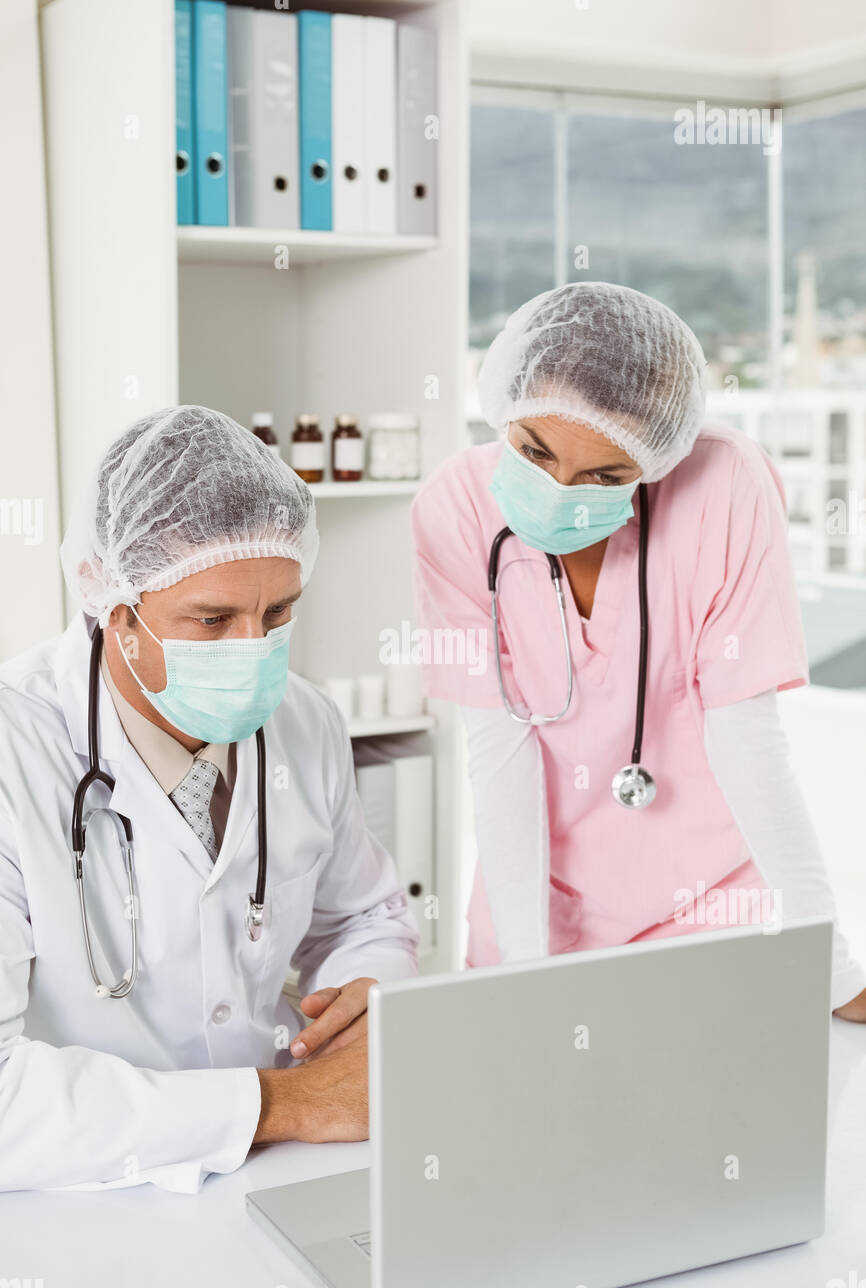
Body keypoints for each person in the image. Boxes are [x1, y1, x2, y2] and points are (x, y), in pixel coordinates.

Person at [411, 282, 866, 1022]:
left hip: (715, 904)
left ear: (657, 459)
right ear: (504, 406)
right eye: (532, 451)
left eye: (605, 476)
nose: (559, 493)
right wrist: (525, 972)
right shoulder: (453, 510)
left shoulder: (725, 484)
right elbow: (499, 755)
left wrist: (831, 967)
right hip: (540, 909)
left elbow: (747, 738)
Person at [0, 405, 418, 1193]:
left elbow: (364, 916)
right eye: (212, 618)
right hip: (77, 1201)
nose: (253, 648)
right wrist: (285, 1104)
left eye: (279, 613)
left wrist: (364, 989)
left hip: (282, 1180)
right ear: (116, 609)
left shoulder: (303, 719)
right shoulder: (14, 749)